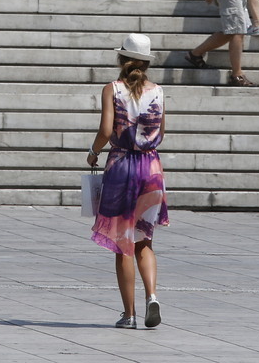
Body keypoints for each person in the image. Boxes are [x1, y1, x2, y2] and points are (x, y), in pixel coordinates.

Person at [88, 33, 168, 330]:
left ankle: (129, 314)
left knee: (123, 243)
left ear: (121, 60)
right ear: (146, 64)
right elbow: (162, 131)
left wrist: (93, 152)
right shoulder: (158, 91)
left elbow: (106, 129)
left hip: (122, 165)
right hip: (151, 168)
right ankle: (152, 296)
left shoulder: (113, 89)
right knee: (144, 241)